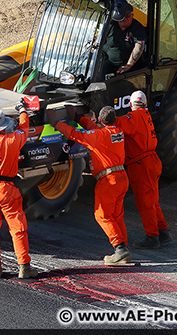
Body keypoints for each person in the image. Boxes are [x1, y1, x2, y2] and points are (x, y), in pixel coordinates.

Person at [49, 105, 132, 265]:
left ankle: (119, 248)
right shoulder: (117, 132)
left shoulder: (98, 136)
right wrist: (79, 118)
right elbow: (95, 129)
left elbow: (74, 134)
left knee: (102, 215)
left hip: (108, 180)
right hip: (122, 177)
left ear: (100, 120)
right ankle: (124, 250)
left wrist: (55, 123)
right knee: (116, 215)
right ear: (114, 120)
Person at [0, 96, 39, 279]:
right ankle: (24, 268)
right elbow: (24, 128)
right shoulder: (11, 140)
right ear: (3, 126)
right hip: (7, 189)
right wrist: (22, 111)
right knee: (17, 228)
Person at [114, 91, 171, 249]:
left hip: (141, 165)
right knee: (153, 200)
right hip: (152, 161)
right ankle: (163, 231)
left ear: (131, 105)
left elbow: (115, 123)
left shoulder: (133, 117)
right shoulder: (146, 116)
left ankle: (153, 237)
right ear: (145, 104)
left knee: (145, 202)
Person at [102, 0, 146, 76]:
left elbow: (139, 46)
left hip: (128, 64)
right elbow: (100, 40)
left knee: (123, 77)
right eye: (121, 17)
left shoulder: (138, 27)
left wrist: (128, 66)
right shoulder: (111, 25)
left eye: (127, 16)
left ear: (132, 15)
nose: (124, 19)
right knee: (98, 72)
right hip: (109, 61)